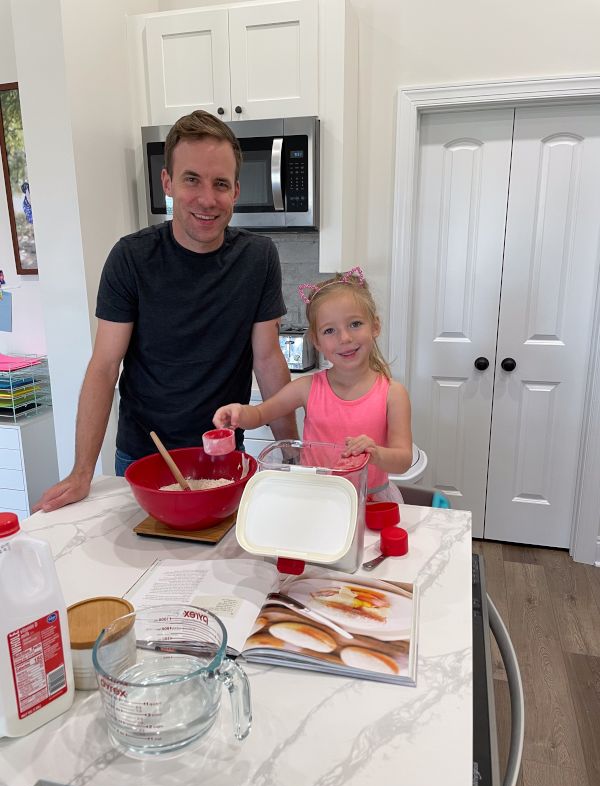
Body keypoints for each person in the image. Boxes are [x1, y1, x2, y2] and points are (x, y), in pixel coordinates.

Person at [35, 110, 297, 512]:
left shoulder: (258, 258)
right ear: (168, 182)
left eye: (220, 184)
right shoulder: (131, 258)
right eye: (192, 179)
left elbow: (267, 358)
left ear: (236, 191)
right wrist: (82, 471)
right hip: (144, 459)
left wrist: (292, 457)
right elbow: (105, 366)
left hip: (224, 455)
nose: (207, 199)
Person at [213, 267, 413, 501]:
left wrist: (376, 453)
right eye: (330, 330)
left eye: (355, 324)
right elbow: (259, 414)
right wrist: (238, 413)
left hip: (372, 503)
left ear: (375, 327)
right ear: (316, 342)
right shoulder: (307, 388)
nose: (345, 338)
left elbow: (403, 461)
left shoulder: (392, 394)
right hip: (317, 499)